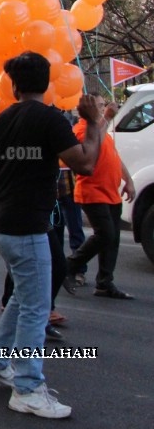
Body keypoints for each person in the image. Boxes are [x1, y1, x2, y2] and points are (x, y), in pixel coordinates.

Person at [0, 51, 104, 420]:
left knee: (23, 298)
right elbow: (87, 164)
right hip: (27, 226)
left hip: (3, 224)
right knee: (35, 308)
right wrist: (93, 123)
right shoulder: (49, 119)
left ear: (13, 86)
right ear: (46, 83)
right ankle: (28, 388)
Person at [64, 96, 136, 299]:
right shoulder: (81, 130)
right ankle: (68, 267)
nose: (104, 109)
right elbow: (90, 152)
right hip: (92, 192)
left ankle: (105, 283)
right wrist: (105, 119)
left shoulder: (102, 129)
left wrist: (128, 180)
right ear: (86, 110)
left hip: (111, 192)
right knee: (105, 234)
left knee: (112, 240)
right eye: (99, 106)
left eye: (104, 105)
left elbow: (114, 156)